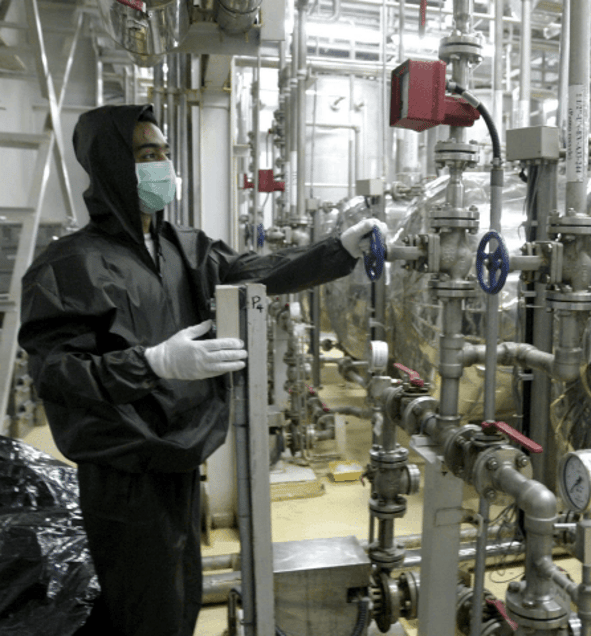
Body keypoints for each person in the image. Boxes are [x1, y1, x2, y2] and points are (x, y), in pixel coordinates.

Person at [17, 104, 386, 636]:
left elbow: (254, 272)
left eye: (166, 153)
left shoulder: (182, 247)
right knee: (146, 611)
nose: (164, 164)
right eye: (149, 154)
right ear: (114, 165)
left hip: (182, 458)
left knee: (182, 596)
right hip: (123, 475)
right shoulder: (68, 266)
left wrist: (336, 250)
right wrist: (152, 363)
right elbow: (58, 371)